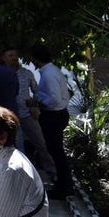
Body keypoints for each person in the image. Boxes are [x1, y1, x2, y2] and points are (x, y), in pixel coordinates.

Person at [1, 47, 58, 185]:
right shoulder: (1, 74)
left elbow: (36, 91)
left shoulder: (26, 73)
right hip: (10, 116)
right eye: (10, 55)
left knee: (42, 144)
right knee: (18, 148)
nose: (14, 58)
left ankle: (54, 174)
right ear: (3, 58)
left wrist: (34, 104)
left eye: (15, 55)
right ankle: (23, 179)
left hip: (27, 114)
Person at [32, 44, 76, 198]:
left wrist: (37, 101)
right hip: (58, 114)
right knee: (56, 152)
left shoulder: (49, 74)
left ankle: (64, 187)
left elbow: (54, 100)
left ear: (36, 59)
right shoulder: (53, 71)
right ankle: (64, 185)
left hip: (54, 115)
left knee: (56, 153)